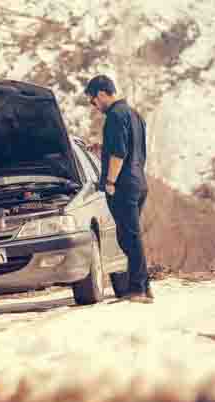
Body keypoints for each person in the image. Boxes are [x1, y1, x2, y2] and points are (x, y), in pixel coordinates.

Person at [85, 75, 152, 303]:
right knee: (130, 236)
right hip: (139, 182)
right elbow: (132, 148)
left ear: (102, 94)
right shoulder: (134, 114)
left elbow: (119, 153)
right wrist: (101, 149)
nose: (94, 106)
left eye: (93, 101)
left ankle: (138, 290)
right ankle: (144, 288)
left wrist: (111, 182)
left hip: (122, 185)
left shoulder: (114, 116)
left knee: (129, 237)